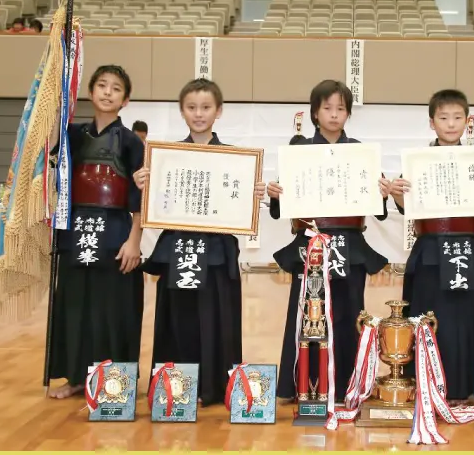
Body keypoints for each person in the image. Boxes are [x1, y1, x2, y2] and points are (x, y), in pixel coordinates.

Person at [134, 79, 265, 405]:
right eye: (191, 107)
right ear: (182, 111)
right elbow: (159, 203)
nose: (199, 114)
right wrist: (144, 185)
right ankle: (176, 387)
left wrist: (255, 193)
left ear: (218, 111)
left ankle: (214, 386)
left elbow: (240, 206)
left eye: (206, 107)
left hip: (216, 251)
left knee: (216, 317)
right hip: (178, 248)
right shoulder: (167, 159)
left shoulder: (236, 160)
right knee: (179, 320)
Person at [266, 79, 390, 402]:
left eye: (341, 109)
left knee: (350, 313)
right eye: (327, 108)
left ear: (348, 114)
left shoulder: (360, 151)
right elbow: (282, 210)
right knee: (306, 313)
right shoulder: (299, 151)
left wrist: (382, 194)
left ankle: (350, 384)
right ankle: (300, 385)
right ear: (315, 113)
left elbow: (378, 212)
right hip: (311, 244)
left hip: (350, 246)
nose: (334, 115)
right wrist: (276, 194)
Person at [387, 89, 474, 405]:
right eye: (443, 117)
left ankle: (471, 387)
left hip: (466, 248)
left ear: (468, 121)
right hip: (430, 251)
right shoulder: (416, 162)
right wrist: (396, 194)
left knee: (467, 320)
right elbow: (406, 207)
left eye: (457, 117)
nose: (451, 124)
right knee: (429, 317)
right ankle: (425, 384)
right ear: (432, 123)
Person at [46, 65, 146, 399]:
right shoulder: (71, 135)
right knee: (75, 307)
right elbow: (51, 168)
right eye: (101, 85)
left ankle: (112, 381)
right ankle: (76, 377)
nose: (107, 92)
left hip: (115, 233)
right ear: (90, 92)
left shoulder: (132, 143)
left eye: (116, 88)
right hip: (77, 230)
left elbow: (139, 200)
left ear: (126, 100)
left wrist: (134, 241)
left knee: (112, 310)